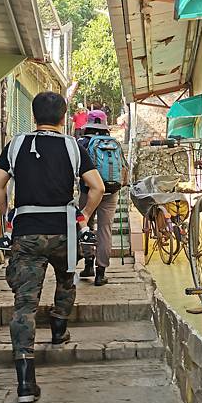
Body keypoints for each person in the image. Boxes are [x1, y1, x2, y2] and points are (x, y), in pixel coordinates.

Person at [0, 92, 104, 403]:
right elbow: (97, 187)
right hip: (64, 231)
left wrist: (7, 213)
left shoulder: (16, 144)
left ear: (34, 115)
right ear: (63, 117)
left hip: (26, 233)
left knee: (24, 305)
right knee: (67, 280)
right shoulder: (73, 146)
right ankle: (58, 327)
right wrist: (84, 215)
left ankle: (26, 380)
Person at [78, 117, 128, 286]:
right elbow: (124, 168)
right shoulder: (115, 143)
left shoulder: (82, 143)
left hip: (89, 191)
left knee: (84, 224)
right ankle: (101, 273)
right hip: (111, 191)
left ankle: (88, 265)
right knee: (105, 230)